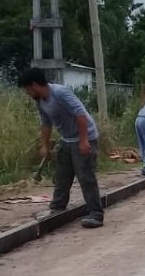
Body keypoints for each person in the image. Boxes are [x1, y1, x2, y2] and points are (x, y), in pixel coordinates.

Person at [16, 67, 104, 229]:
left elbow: (80, 114)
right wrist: (44, 145)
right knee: (62, 177)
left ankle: (96, 214)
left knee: (86, 177)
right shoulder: (41, 101)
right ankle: (57, 208)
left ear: (34, 85)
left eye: (27, 89)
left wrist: (84, 141)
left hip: (85, 137)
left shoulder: (60, 93)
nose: (27, 93)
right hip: (67, 140)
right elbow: (46, 123)